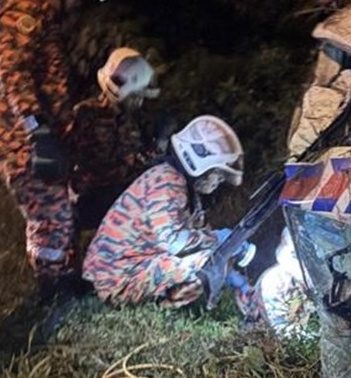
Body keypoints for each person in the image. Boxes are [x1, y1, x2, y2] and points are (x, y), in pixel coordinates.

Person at [0, 0, 107, 303]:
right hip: (20, 138)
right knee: (50, 216)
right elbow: (12, 73)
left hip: (34, 133)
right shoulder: (22, 12)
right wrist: (37, 128)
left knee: (57, 210)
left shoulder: (40, 13)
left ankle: (62, 279)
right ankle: (50, 290)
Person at [82, 114, 255, 310]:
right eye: (218, 174)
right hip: (116, 278)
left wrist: (238, 282)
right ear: (202, 165)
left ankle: (162, 303)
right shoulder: (166, 181)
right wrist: (219, 238)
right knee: (206, 263)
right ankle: (159, 307)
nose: (219, 181)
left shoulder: (184, 191)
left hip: (133, 268)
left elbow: (206, 243)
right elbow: (175, 242)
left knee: (211, 257)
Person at [69, 47, 163, 233]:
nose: (139, 102)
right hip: (90, 202)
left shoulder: (131, 121)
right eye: (137, 96)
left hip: (121, 202)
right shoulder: (85, 114)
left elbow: (137, 159)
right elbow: (90, 162)